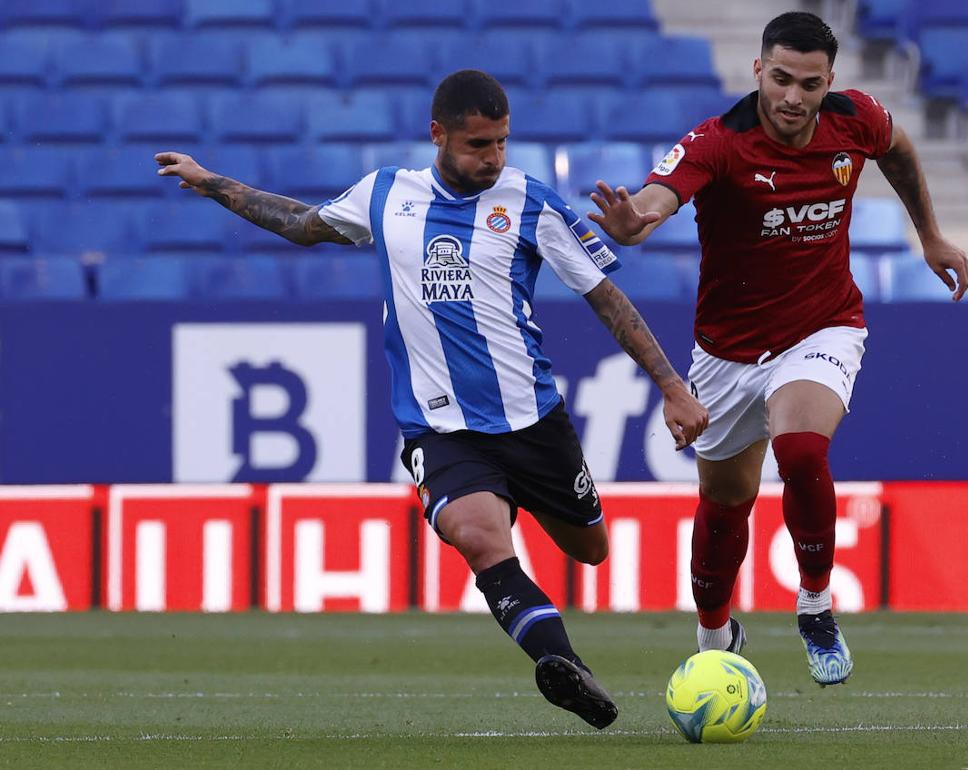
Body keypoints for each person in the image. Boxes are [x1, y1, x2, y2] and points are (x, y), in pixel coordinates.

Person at [154, 69, 708, 727]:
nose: (493, 158)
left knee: (589, 549)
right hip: (439, 427)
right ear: (438, 134)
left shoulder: (530, 202)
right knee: (479, 539)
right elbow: (303, 224)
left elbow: (604, 297)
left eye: (501, 143)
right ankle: (566, 667)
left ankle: (542, 560)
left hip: (532, 421)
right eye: (479, 145)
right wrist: (211, 181)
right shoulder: (386, 194)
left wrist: (671, 387)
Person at [588, 12, 968, 686]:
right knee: (723, 508)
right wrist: (638, 221)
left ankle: (816, 605)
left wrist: (930, 236)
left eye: (811, 83)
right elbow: (660, 194)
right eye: (783, 79)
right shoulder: (719, 141)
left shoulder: (857, 119)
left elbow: (901, 151)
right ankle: (715, 636)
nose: (794, 97)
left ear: (831, 82)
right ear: (759, 69)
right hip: (728, 352)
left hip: (822, 325)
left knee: (800, 449)